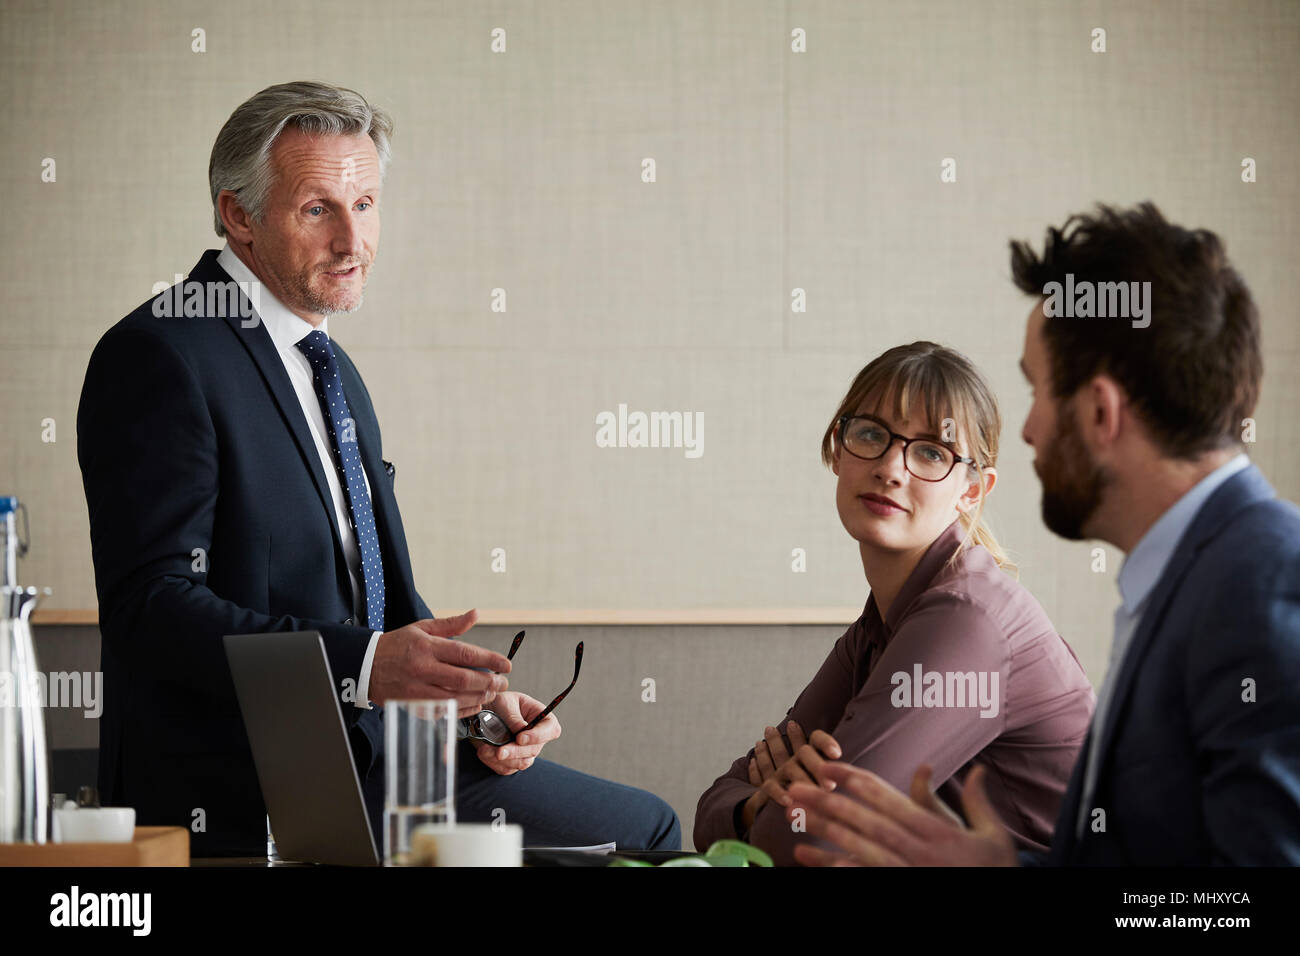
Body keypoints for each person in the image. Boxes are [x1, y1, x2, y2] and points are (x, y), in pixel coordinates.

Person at [76, 80, 679, 856]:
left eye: (365, 207)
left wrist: (472, 705)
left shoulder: (329, 365)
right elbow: (150, 609)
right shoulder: (161, 353)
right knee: (648, 838)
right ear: (238, 216)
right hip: (255, 778)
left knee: (647, 832)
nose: (352, 243)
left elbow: (378, 600)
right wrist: (365, 664)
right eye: (318, 209)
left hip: (390, 753)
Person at [786, 202, 1300, 865]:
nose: (1027, 429)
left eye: (1037, 391)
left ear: (1098, 411)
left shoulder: (1265, 583)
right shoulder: (1194, 576)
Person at [693, 342, 1095, 865]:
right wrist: (752, 810)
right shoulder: (879, 624)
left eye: (931, 451)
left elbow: (813, 844)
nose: (890, 468)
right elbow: (714, 809)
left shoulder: (965, 620)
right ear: (838, 448)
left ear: (973, 490)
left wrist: (772, 807)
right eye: (871, 434)